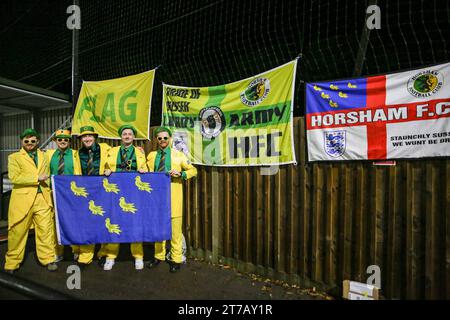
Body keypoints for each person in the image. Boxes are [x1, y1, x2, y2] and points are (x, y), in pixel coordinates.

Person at [4, 128, 58, 273]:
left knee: (45, 231)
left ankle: (48, 259)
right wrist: (36, 178)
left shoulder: (44, 155)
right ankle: (12, 262)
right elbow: (14, 178)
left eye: (33, 140)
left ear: (38, 141)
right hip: (23, 200)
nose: (29, 143)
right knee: (18, 231)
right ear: (22, 141)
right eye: (26, 140)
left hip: (43, 198)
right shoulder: (14, 157)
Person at [146, 127, 197, 273]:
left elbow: (193, 170)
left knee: (175, 232)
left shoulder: (178, 155)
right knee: (158, 230)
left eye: (165, 138)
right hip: (157, 200)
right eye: (160, 138)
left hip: (174, 200)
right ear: (156, 140)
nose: (162, 140)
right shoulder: (151, 156)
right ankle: (158, 256)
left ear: (170, 139)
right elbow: (145, 171)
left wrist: (180, 174)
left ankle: (176, 259)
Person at [100, 125, 148, 271]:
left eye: (130, 134)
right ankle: (111, 256)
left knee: (135, 223)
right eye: (124, 134)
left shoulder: (140, 152)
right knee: (114, 222)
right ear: (121, 137)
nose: (127, 136)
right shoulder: (112, 151)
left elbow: (146, 168)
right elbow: (102, 167)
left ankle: (138, 256)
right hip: (115, 192)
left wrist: (144, 170)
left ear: (133, 137)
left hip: (134, 192)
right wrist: (105, 170)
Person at [73, 126, 111, 267]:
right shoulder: (78, 153)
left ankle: (103, 253)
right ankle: (85, 256)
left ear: (95, 137)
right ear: (81, 139)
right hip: (86, 192)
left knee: (103, 222)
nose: (87, 139)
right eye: (84, 137)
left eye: (90, 136)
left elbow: (117, 156)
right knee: (87, 223)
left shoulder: (105, 148)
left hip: (102, 191)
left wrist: (109, 168)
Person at [46, 129, 80, 262]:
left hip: (71, 195)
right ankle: (57, 251)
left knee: (73, 222)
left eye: (65, 139)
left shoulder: (76, 154)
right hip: (54, 194)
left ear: (69, 141)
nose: (63, 141)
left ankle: (75, 250)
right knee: (54, 223)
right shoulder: (48, 155)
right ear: (55, 141)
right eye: (60, 139)